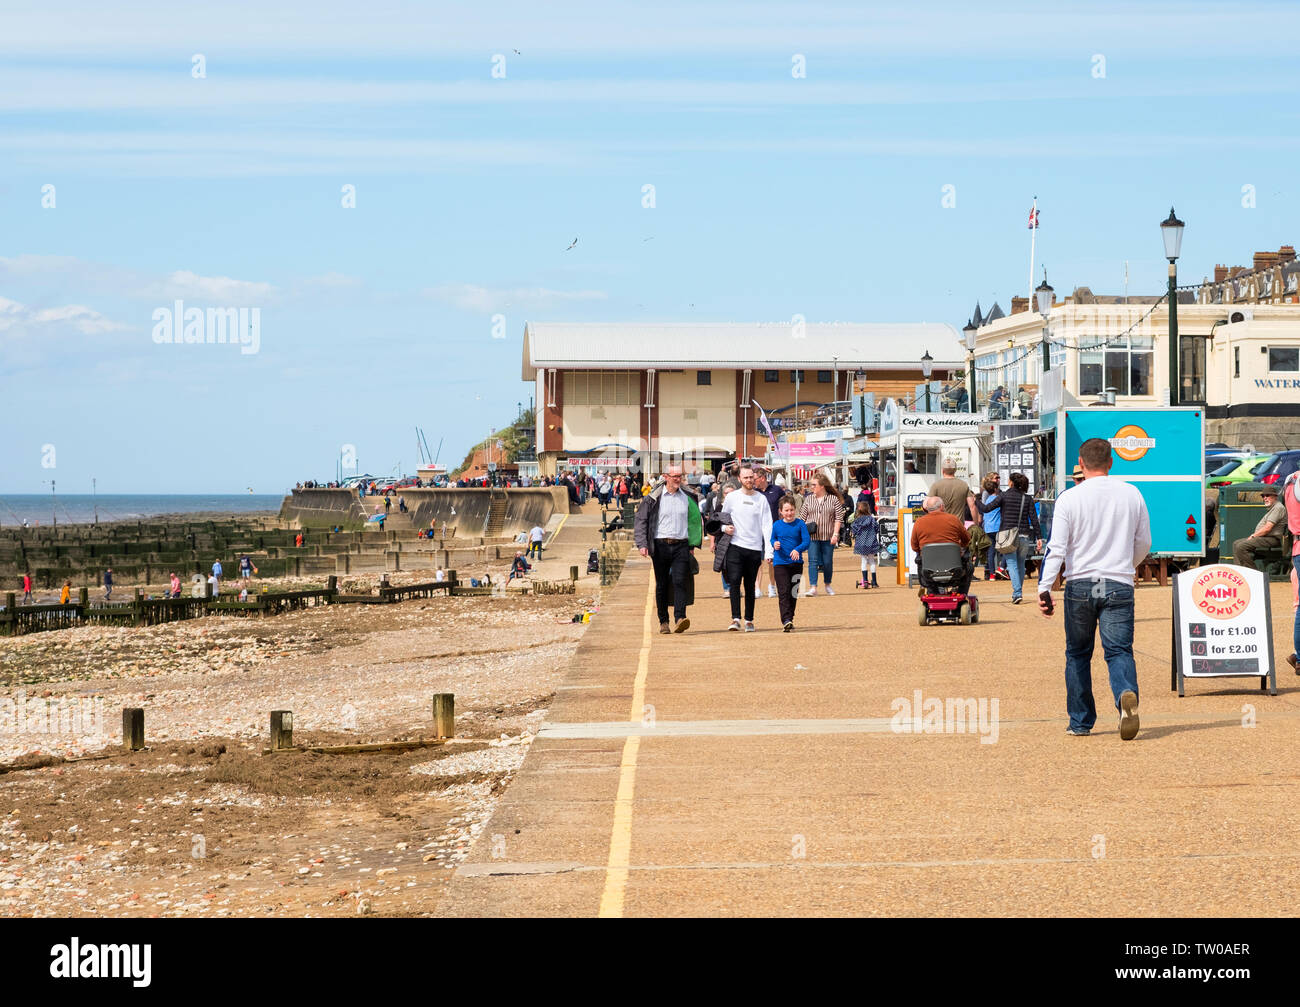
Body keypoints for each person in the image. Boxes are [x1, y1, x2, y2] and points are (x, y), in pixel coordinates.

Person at [1038, 437, 1151, 740]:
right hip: (1118, 582)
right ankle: (1125, 693)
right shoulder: (1132, 494)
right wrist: (1128, 566)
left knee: (1077, 654)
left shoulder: (1069, 498)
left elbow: (1057, 548)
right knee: (1118, 651)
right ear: (1111, 462)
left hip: (1080, 583)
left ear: (1081, 463)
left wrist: (1045, 587)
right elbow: (1144, 543)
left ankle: (1081, 721)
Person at [633, 464, 702, 633]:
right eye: (674, 476)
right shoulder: (654, 497)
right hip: (660, 545)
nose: (678, 479)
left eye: (680, 476)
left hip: (681, 545)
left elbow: (694, 521)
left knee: (680, 581)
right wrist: (642, 544)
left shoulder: (688, 496)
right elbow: (641, 520)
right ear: (666, 477)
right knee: (662, 584)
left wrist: (693, 543)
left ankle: (680, 618)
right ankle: (663, 621)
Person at [720, 466, 774, 631]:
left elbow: (767, 525)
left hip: (754, 548)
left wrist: (768, 550)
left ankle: (749, 620)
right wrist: (724, 529)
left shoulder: (761, 499)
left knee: (750, 585)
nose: (749, 480)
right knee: (734, 582)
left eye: (752, 477)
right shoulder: (732, 498)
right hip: (735, 546)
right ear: (740, 480)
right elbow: (722, 518)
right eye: (746, 478)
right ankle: (735, 618)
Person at [997, 472, 1044, 604]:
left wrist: (975, 501)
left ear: (1011, 482)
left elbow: (987, 508)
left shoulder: (1004, 496)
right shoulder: (1027, 498)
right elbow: (1034, 519)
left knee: (1011, 564)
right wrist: (1039, 537)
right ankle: (1017, 592)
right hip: (1024, 535)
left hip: (1008, 536)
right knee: (1021, 565)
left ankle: (1017, 593)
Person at [910, 497, 972, 594]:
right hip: (954, 568)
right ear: (942, 506)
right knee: (969, 566)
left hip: (929, 570)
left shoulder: (919, 522)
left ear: (927, 508)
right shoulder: (953, 519)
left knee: (924, 566)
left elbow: (914, 547)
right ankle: (961, 592)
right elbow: (966, 539)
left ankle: (933, 592)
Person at [771, 495, 810, 631]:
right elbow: (772, 539)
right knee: (783, 591)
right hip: (780, 562)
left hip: (796, 563)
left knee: (793, 592)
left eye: (791, 510)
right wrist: (774, 543)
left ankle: (790, 618)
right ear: (781, 511)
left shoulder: (800, 524)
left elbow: (806, 542)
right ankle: (786, 619)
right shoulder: (776, 525)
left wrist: (797, 549)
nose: (789, 513)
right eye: (786, 510)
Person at [801, 474, 843, 596]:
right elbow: (802, 517)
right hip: (812, 536)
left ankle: (827, 584)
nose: (811, 487)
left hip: (828, 536)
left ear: (822, 486)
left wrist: (835, 534)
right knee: (812, 561)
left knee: (827, 562)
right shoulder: (808, 499)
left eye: (814, 485)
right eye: (811, 485)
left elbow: (838, 518)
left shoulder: (833, 499)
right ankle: (813, 587)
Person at [1232, 487, 1285, 570]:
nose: (1265, 498)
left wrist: (1253, 536)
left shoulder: (1278, 508)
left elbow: (1267, 528)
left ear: (1275, 496)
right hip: (1264, 538)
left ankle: (1253, 573)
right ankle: (1239, 571)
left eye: (1267, 495)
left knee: (1241, 546)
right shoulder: (1273, 507)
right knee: (1236, 543)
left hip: (1271, 539)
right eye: (1263, 496)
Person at [754, 468, 785, 598]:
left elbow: (785, 506)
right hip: (756, 530)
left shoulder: (777, 490)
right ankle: (757, 588)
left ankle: (772, 586)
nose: (753, 481)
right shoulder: (753, 492)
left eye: (754, 478)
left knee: (771, 560)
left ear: (762, 478)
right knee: (757, 561)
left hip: (773, 530)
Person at [929, 459, 976, 527]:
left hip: (941, 526)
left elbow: (926, 505)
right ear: (955, 470)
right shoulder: (964, 485)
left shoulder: (936, 485)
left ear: (942, 470)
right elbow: (972, 507)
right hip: (958, 526)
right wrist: (976, 524)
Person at [710, 484, 735, 598]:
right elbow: (712, 526)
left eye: (731, 493)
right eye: (726, 493)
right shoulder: (719, 507)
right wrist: (712, 542)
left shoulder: (740, 507)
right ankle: (727, 588)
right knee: (724, 565)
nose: (729, 495)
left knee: (735, 565)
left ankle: (735, 588)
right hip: (722, 541)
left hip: (737, 541)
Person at [850, 497, 881, 588]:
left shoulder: (857, 520)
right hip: (871, 543)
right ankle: (874, 582)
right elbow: (876, 528)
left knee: (863, 561)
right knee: (872, 561)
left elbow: (854, 530)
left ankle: (865, 581)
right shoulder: (871, 519)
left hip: (861, 543)